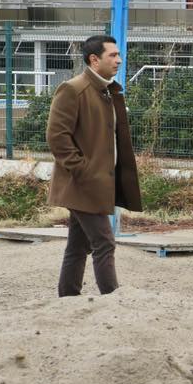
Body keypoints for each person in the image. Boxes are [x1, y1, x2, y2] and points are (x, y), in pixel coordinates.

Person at [46, 34, 143, 296]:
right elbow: (57, 136)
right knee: (104, 242)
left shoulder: (108, 90)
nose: (119, 60)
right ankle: (113, 299)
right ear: (93, 59)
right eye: (112, 55)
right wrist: (83, 170)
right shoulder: (73, 89)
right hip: (82, 183)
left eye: (118, 55)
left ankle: (67, 299)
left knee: (77, 247)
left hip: (96, 182)